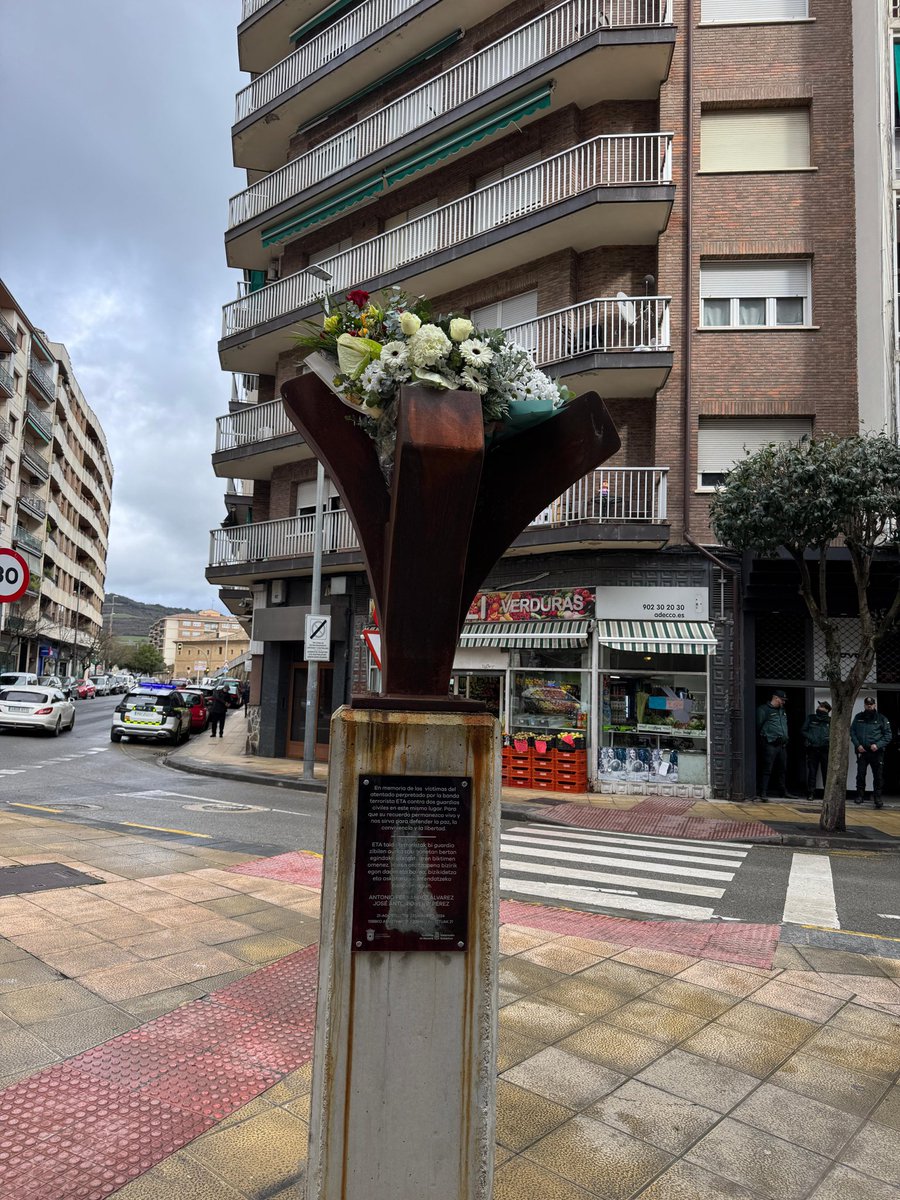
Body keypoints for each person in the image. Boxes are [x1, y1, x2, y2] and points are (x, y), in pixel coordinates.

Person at [851, 696, 892, 809]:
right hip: (862, 751)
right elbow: (852, 732)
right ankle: (860, 796)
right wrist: (857, 745)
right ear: (864, 705)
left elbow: (888, 735)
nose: (869, 706)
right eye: (867, 704)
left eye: (871, 704)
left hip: (876, 752)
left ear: (874, 705)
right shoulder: (858, 717)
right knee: (860, 774)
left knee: (878, 776)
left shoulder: (881, 718)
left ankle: (877, 798)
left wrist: (877, 745)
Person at [756, 689, 797, 801]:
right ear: (775, 698)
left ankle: (782, 792)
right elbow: (758, 726)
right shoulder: (763, 709)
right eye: (782, 700)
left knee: (782, 769)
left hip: (782, 745)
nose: (783, 702)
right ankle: (762, 792)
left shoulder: (782, 710)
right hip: (770, 744)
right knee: (767, 769)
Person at [801, 699, 831, 801]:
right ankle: (811, 793)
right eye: (818, 706)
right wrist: (811, 738)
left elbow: (835, 734)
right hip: (812, 749)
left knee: (826, 772)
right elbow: (803, 730)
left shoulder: (830, 720)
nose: (818, 708)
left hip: (825, 750)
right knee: (812, 772)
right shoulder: (811, 718)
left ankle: (826, 795)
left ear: (827, 710)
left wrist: (828, 739)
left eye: (821, 706)